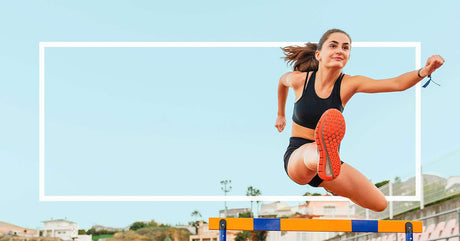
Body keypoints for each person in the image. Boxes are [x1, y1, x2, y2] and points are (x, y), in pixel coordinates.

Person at [275, 29, 444, 212]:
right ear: (318, 55)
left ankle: (328, 171)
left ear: (348, 56)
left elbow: (396, 84)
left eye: (345, 47)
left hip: (330, 169)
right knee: (312, 151)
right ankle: (322, 156)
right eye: (333, 45)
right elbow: (281, 83)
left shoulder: (349, 84)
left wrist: (425, 70)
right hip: (298, 158)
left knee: (380, 204)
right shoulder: (300, 80)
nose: (340, 50)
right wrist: (280, 114)